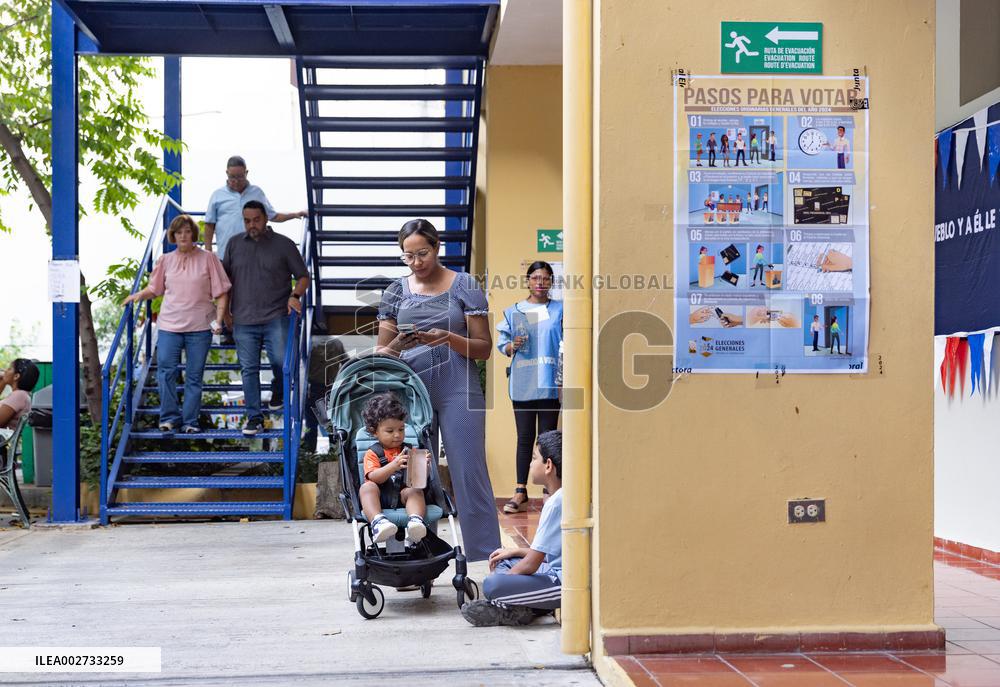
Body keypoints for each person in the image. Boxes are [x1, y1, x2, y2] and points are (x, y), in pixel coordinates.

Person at [376, 219, 501, 562]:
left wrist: (448, 338)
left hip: (458, 387)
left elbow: (484, 348)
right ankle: (417, 556)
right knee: (414, 474)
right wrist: (399, 344)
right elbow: (381, 354)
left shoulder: (465, 285)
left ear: (437, 247)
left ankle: (486, 556)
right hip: (411, 393)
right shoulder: (395, 292)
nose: (416, 262)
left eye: (423, 253)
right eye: (408, 256)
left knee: (469, 470)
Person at [123, 215, 231, 433]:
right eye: (179, 232)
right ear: (173, 236)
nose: (183, 236)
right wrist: (137, 296)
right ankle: (169, 418)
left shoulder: (209, 258)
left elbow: (221, 292)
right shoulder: (165, 260)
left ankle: (190, 421)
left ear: (193, 234)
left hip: (200, 326)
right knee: (166, 371)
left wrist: (219, 321)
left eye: (187, 231)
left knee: (194, 376)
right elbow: (155, 289)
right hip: (169, 326)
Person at [223, 200, 310, 436]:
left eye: (256, 220)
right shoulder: (233, 244)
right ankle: (254, 418)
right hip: (243, 319)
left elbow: (303, 277)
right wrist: (225, 313)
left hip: (276, 316)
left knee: (282, 361)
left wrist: (295, 296)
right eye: (247, 221)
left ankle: (278, 390)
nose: (252, 225)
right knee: (248, 369)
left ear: (266, 218)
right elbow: (225, 282)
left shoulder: (284, 244)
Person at [461, 430, 563, 627]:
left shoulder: (556, 503)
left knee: (493, 585)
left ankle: (509, 608)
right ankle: (523, 607)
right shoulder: (559, 497)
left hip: (563, 584)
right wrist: (514, 551)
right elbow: (547, 553)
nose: (531, 464)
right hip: (553, 568)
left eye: (534, 458)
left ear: (548, 465)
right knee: (505, 559)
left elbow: (531, 564)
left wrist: (506, 584)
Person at [497, 261, 563, 514]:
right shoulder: (514, 311)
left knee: (547, 438)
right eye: (535, 278)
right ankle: (520, 491)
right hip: (523, 382)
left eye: (546, 278)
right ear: (527, 281)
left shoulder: (561, 310)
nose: (540, 283)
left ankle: (550, 492)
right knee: (524, 438)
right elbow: (503, 345)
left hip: (550, 382)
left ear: (552, 282)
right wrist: (512, 345)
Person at [204, 155, 307, 260]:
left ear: (246, 173)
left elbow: (273, 216)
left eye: (240, 177)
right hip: (226, 255)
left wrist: (294, 215)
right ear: (227, 173)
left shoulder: (257, 193)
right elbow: (209, 225)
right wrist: (208, 252)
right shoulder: (217, 195)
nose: (236, 181)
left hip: (254, 254)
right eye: (232, 177)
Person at [358, 393, 429, 544]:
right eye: (390, 431)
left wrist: (423, 467)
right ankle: (378, 522)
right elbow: (375, 477)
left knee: (415, 490)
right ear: (374, 432)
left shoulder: (409, 450)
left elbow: (417, 479)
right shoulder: (372, 453)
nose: (397, 435)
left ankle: (415, 522)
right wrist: (394, 465)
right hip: (380, 498)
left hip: (404, 497)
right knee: (367, 487)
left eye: (401, 429)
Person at [0, 359, 40, 439]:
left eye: (9, 368)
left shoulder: (18, 395)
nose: (5, 371)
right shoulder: (21, 395)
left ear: (16, 376)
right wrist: (3, 382)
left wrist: (3, 381)